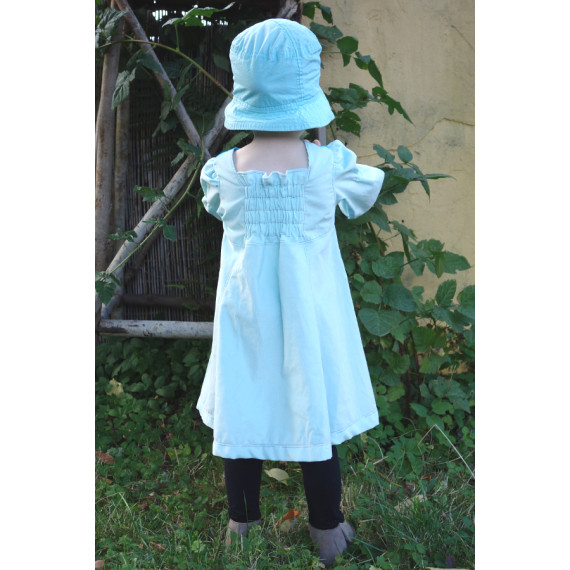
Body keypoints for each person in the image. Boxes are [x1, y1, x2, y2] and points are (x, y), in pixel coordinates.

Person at [197, 18, 385, 566]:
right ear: (306, 93)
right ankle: (327, 529)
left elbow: (217, 209)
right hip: (311, 316)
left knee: (244, 407)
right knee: (314, 411)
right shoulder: (330, 166)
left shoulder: (222, 172)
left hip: (246, 316)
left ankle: (242, 525)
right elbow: (363, 192)